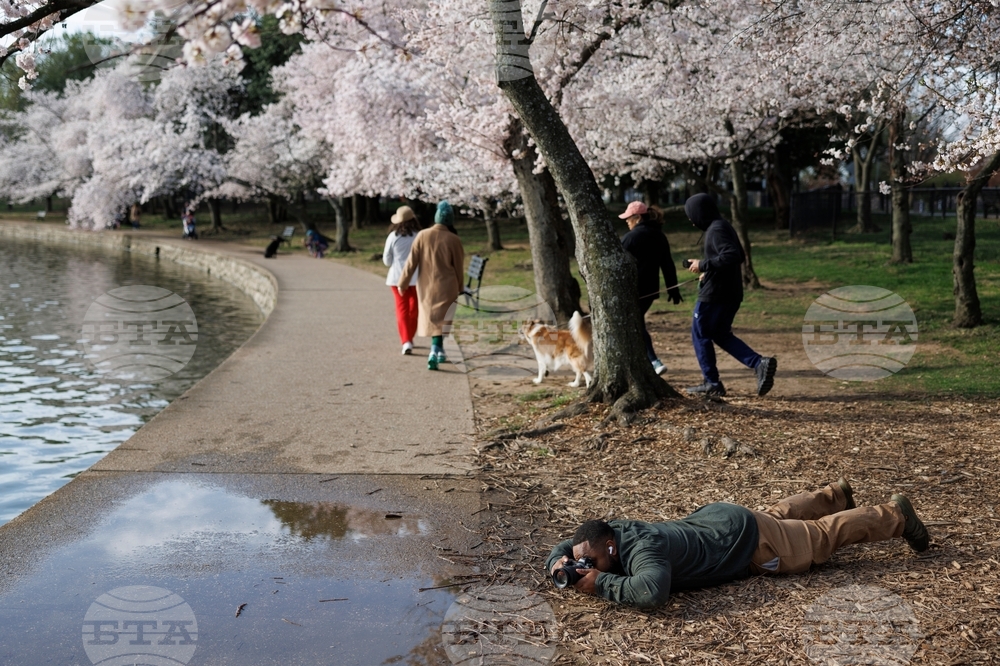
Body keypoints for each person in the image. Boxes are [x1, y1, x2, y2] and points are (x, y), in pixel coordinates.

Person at [546, 480, 929, 609]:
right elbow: (573, 541)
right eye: (584, 563)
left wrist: (602, 584)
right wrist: (558, 561)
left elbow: (652, 592)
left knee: (817, 540)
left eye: (591, 561)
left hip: (746, 543)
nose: (587, 566)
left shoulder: (644, 551)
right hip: (721, 519)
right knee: (776, 518)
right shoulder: (608, 531)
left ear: (611, 548)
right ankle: (834, 494)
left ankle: (895, 515)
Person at [683, 193, 775, 398]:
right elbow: (738, 255)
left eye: (691, 215)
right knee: (720, 334)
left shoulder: (716, 229)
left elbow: (732, 255)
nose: (691, 221)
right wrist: (708, 270)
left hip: (715, 295)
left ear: (700, 213)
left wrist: (704, 265)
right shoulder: (722, 226)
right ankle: (759, 363)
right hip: (730, 292)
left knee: (700, 334)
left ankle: (712, 382)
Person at [397, 201, 465, 371]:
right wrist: (461, 287)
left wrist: (403, 283)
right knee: (442, 319)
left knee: (432, 319)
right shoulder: (454, 239)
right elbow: (459, 267)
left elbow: (411, 263)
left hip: (426, 286)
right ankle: (436, 350)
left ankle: (438, 350)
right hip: (448, 286)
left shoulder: (422, 235)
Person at [619, 201, 683, 376]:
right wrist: (673, 289)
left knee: (636, 324)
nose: (626, 222)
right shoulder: (659, 235)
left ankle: (654, 361)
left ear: (638, 218)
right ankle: (646, 362)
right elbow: (667, 264)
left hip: (633, 290)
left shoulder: (630, 238)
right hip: (650, 290)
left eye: (628, 218)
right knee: (636, 323)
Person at [383, 206, 421, 355]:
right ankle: (410, 337)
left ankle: (406, 341)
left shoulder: (393, 236)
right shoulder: (419, 235)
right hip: (417, 279)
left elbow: (387, 260)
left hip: (396, 279)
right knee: (414, 310)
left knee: (402, 309)